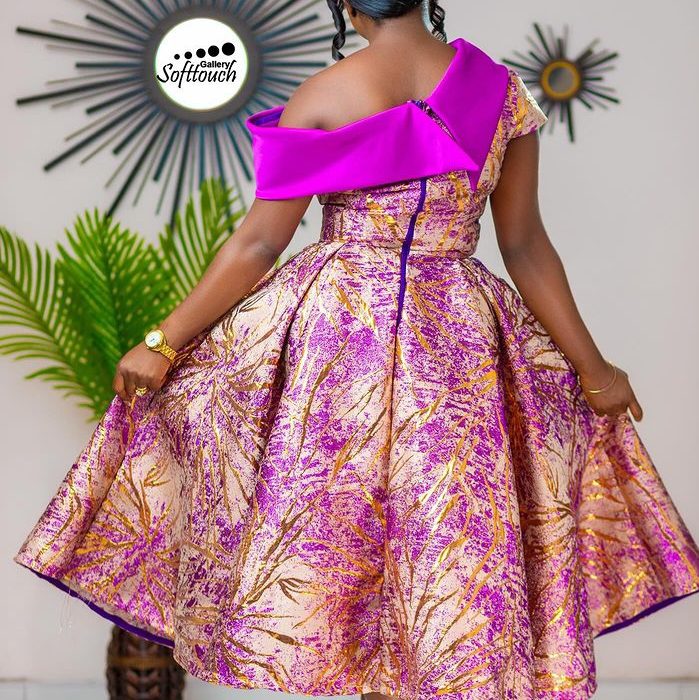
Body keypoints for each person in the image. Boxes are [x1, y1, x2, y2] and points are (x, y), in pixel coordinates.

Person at [14, 1, 699, 698]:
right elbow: (524, 246)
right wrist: (595, 370)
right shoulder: (500, 94)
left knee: (336, 551)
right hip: (460, 346)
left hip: (336, 344)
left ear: (343, 3)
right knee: (440, 548)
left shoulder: (324, 94)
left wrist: (163, 342)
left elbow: (260, 243)